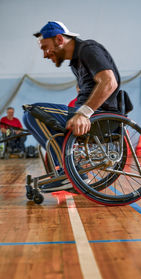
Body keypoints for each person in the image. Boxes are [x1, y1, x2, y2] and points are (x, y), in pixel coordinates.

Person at [23, 21, 120, 191]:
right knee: (30, 116)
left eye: (46, 47)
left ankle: (68, 172)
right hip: (92, 112)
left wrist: (83, 113)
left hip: (100, 114)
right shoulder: (77, 62)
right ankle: (66, 169)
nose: (45, 55)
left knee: (32, 112)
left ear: (59, 39)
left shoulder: (87, 48)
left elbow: (109, 82)